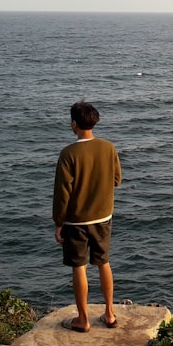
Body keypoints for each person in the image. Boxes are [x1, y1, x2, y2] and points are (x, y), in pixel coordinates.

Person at [53, 101, 122, 332]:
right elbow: (116, 180)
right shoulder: (108, 148)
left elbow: (62, 192)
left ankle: (83, 320)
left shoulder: (68, 153)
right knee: (104, 263)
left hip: (76, 221)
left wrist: (58, 222)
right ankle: (110, 314)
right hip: (103, 216)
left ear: (74, 124)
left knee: (79, 267)